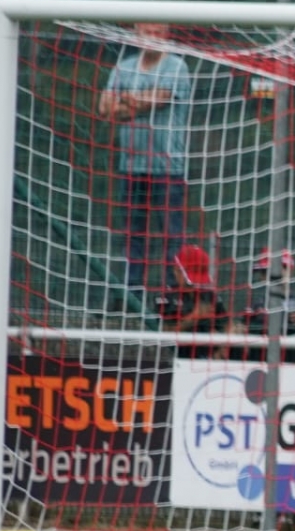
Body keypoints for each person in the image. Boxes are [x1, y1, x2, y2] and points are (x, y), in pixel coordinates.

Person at [96, 22, 193, 291]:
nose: (152, 39)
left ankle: (173, 293)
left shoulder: (176, 67)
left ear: (168, 35)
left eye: (158, 33)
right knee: (132, 232)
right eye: (147, 33)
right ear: (137, 32)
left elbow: (158, 99)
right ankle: (131, 292)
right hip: (131, 164)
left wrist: (127, 100)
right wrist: (135, 102)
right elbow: (105, 107)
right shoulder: (123, 66)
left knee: (171, 235)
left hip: (168, 168)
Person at [154, 244, 230, 359]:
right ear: (176, 271)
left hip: (212, 359)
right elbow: (165, 333)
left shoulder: (209, 295)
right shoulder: (165, 296)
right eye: (190, 281)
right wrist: (194, 318)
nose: (195, 285)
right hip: (178, 359)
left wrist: (225, 344)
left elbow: (225, 324)